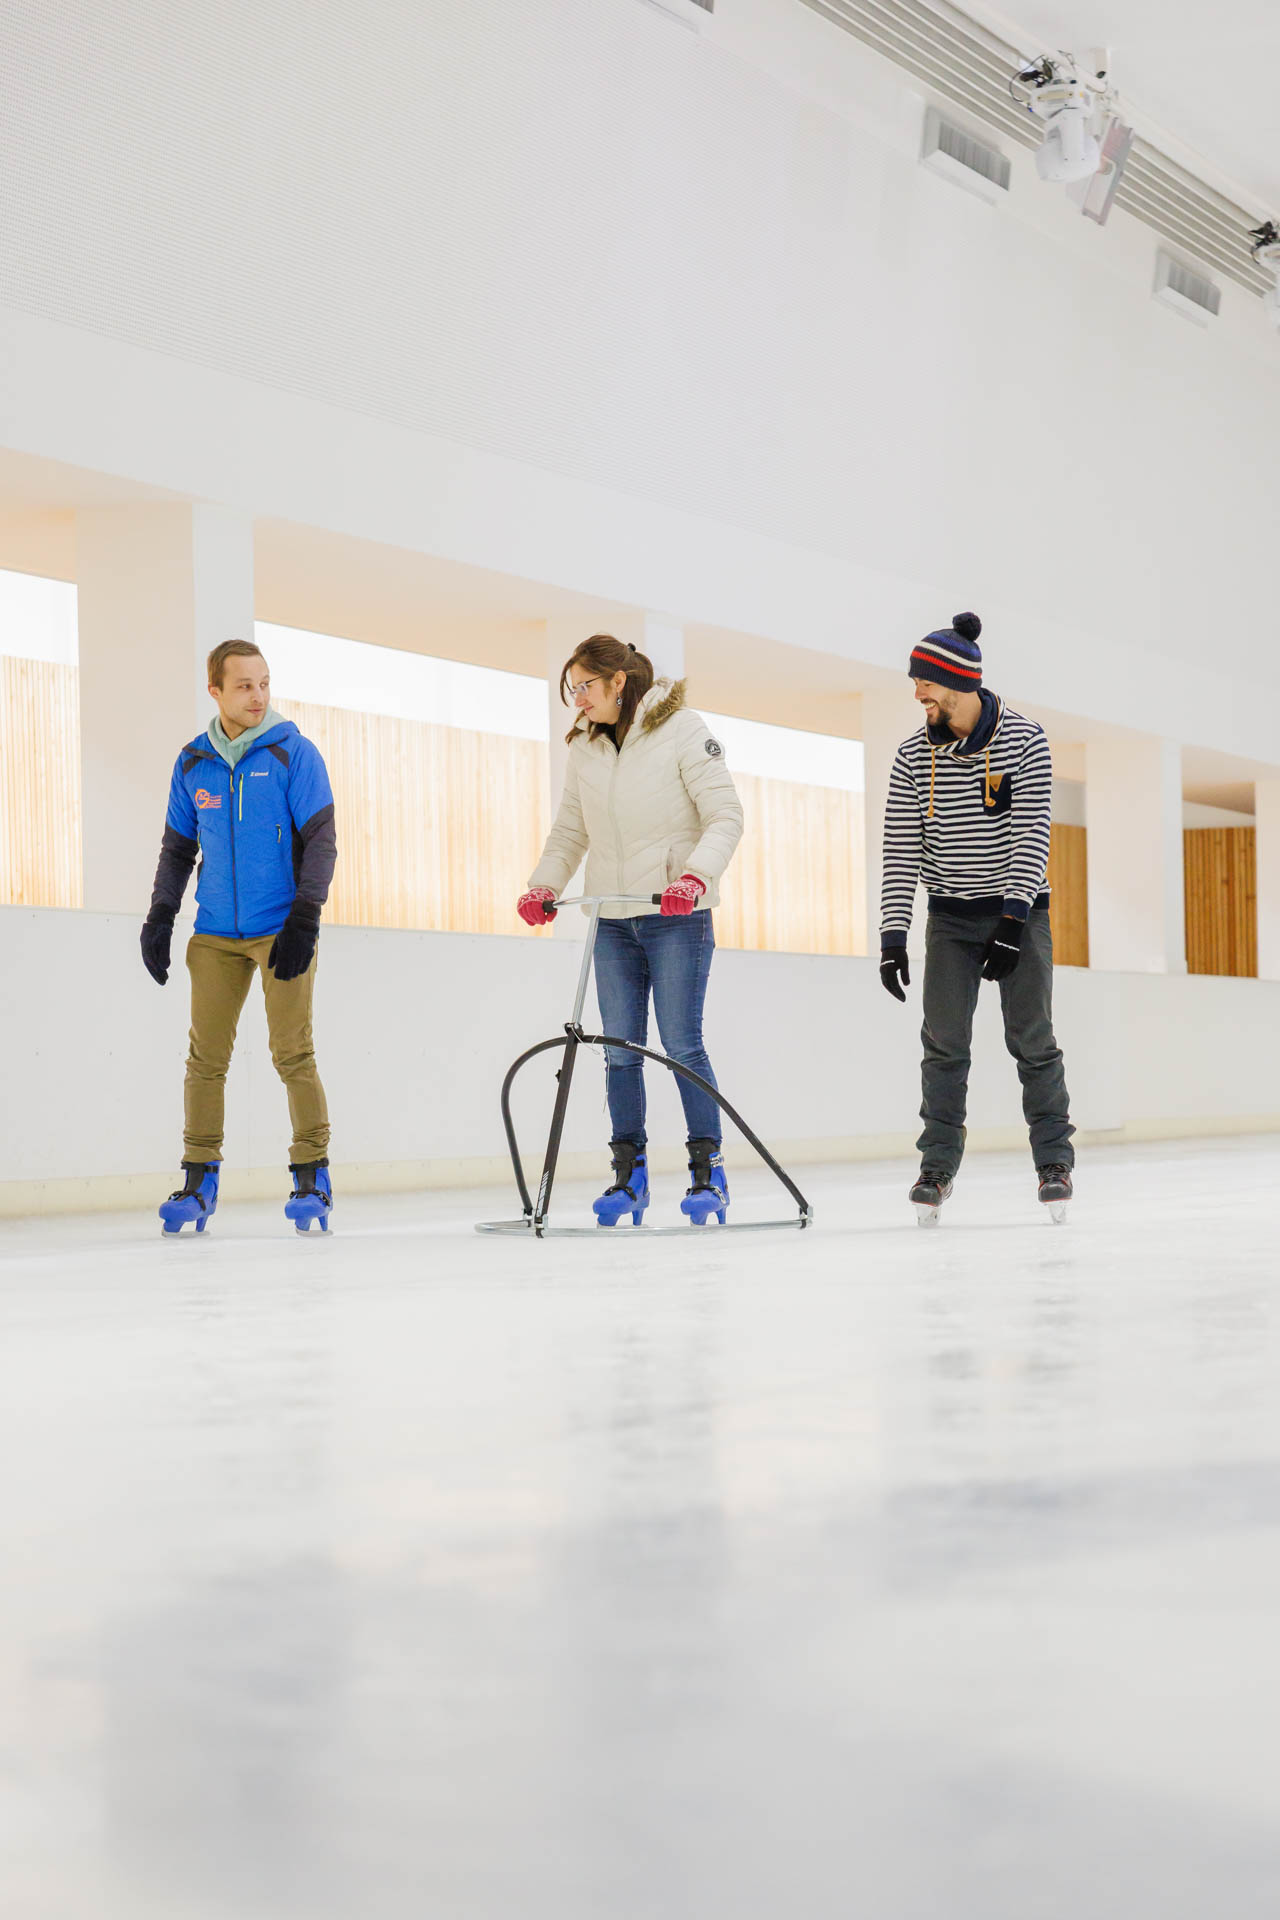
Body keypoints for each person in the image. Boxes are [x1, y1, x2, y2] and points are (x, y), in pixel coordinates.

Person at [517, 635, 744, 1226]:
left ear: (619, 681)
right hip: (612, 920)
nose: (578, 700)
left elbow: (725, 814)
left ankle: (707, 1171)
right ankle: (629, 1176)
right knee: (619, 1051)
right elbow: (570, 832)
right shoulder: (585, 749)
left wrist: (695, 878)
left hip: (676, 917)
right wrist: (543, 885)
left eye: (585, 687)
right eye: (572, 690)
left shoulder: (684, 729)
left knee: (681, 1045)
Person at [878, 612, 1075, 1224]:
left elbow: (1031, 836)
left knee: (1033, 1041)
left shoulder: (1024, 738)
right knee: (943, 1044)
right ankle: (936, 1169)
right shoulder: (913, 754)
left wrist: (1014, 925)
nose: (918, 693)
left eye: (926, 683)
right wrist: (892, 934)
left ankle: (1054, 1163)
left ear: (958, 684)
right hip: (951, 919)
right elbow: (901, 847)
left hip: (1019, 911)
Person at [140, 638, 338, 1235]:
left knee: (292, 1054)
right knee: (205, 1060)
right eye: (245, 685)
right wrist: (160, 915)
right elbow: (178, 851)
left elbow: (322, 842)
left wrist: (306, 917)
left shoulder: (293, 754)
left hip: (281, 929)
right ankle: (199, 1180)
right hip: (215, 934)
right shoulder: (192, 762)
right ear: (216, 691)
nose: (258, 696)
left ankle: (312, 1177)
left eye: (264, 683)